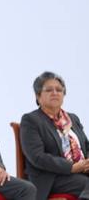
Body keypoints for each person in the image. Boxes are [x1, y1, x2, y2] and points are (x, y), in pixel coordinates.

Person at [20, 71, 89, 200]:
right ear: (38, 96)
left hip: (81, 171)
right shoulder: (31, 120)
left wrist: (86, 164)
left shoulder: (72, 119)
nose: (55, 93)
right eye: (49, 90)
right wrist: (71, 167)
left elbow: (86, 146)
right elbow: (37, 157)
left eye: (59, 90)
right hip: (51, 177)